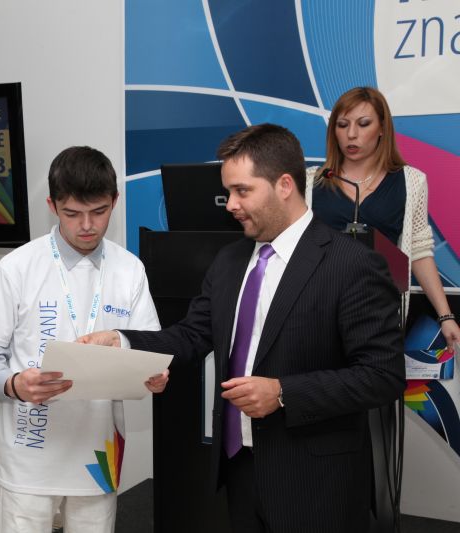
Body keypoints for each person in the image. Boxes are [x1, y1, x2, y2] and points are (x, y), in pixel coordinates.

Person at [80, 124, 406, 533]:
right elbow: (191, 335)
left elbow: (382, 376)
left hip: (318, 482)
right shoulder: (230, 261)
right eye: (228, 191)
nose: (230, 204)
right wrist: (123, 341)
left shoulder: (351, 265)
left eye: (242, 191)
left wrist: (283, 392)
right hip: (241, 470)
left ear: (284, 185)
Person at [0, 146, 168, 533]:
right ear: (53, 206)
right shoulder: (17, 267)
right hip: (29, 451)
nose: (87, 225)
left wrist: (152, 376)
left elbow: (148, 348)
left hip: (97, 453)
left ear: (114, 201)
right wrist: (13, 384)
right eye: (72, 214)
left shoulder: (130, 270)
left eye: (99, 212)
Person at [308, 86, 459, 348]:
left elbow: (419, 251)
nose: (351, 134)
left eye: (363, 124)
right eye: (342, 125)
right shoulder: (311, 181)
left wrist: (446, 316)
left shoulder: (411, 181)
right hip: (317, 312)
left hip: (380, 314)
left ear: (382, 129)